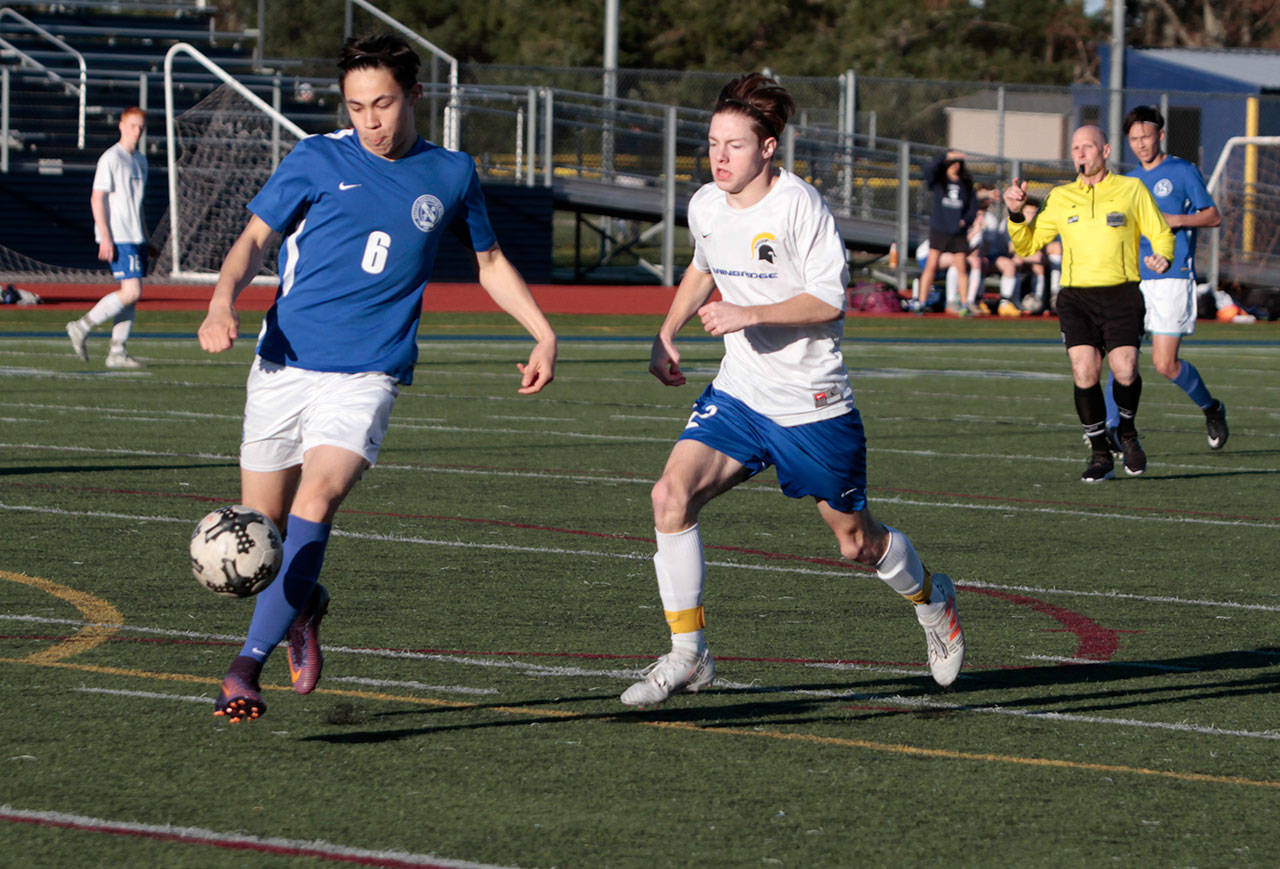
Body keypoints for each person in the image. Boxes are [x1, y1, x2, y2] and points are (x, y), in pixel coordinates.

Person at [197, 34, 558, 723]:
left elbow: (490, 262)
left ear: (415, 96)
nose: (371, 120)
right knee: (262, 536)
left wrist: (543, 332)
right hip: (283, 365)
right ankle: (304, 605)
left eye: (384, 103)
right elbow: (250, 242)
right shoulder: (315, 157)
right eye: (358, 106)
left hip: (367, 374)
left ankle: (244, 668)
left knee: (320, 499)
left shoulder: (451, 174)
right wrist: (221, 301)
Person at [621, 74, 964, 708]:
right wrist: (666, 331)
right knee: (670, 495)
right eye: (713, 144)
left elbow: (829, 301)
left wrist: (747, 315)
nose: (719, 157)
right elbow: (703, 264)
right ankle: (689, 654)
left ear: (769, 148)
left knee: (855, 543)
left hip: (811, 404)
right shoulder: (705, 203)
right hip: (740, 394)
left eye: (735, 145)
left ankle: (932, 601)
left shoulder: (800, 207)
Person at [1003, 125, 1174, 483]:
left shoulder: (1132, 189)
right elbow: (1027, 245)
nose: (1080, 153)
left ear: (1106, 150)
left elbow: (1159, 231)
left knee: (1125, 369)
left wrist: (1163, 255)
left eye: (1088, 147)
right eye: (1075, 148)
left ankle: (1126, 432)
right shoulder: (1060, 197)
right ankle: (1099, 451)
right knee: (1085, 372)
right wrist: (1017, 214)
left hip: (1122, 292)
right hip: (1076, 297)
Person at [1104, 105, 1227, 450]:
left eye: (1146, 137)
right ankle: (1113, 429)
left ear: (1160, 135)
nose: (1141, 144)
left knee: (1165, 364)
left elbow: (1213, 216)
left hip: (1173, 276)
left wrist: (1177, 221)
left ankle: (1212, 408)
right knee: (1121, 355)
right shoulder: (1127, 181)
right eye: (1134, 139)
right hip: (1133, 278)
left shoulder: (1183, 171)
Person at [67, 107, 148, 368]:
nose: (138, 131)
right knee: (132, 290)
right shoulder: (111, 158)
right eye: (133, 126)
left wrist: (147, 237)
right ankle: (82, 325)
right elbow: (97, 197)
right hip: (118, 234)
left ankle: (117, 352)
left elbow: (137, 203)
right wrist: (105, 236)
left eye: (141, 127)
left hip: (135, 235)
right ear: (122, 126)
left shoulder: (140, 161)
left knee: (133, 293)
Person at [910, 149, 979, 314]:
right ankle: (921, 301)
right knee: (931, 265)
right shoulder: (939, 181)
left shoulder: (966, 184)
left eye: (958, 163)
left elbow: (972, 207)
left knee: (962, 266)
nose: (955, 166)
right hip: (940, 230)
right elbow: (928, 170)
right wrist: (945, 156)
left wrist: (965, 221)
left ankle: (964, 303)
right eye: (952, 163)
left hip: (958, 233)